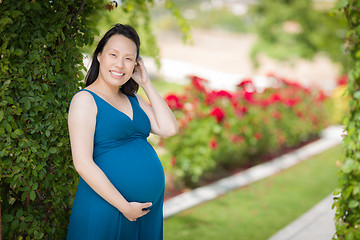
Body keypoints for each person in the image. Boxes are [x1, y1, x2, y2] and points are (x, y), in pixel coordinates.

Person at [66, 24, 178, 240]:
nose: (120, 64)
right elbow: (82, 163)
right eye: (113, 55)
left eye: (128, 58)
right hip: (109, 208)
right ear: (99, 56)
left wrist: (145, 82)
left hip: (144, 213)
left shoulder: (132, 99)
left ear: (136, 63)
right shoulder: (85, 100)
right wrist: (124, 206)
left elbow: (169, 128)